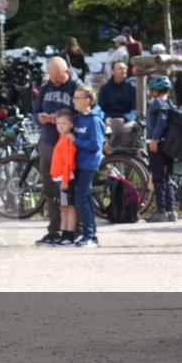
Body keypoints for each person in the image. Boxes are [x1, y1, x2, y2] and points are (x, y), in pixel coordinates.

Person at [33, 57, 77, 245]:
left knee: (69, 189)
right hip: (48, 142)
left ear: (66, 72)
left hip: (67, 145)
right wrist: (41, 118)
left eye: (57, 76)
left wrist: (61, 119)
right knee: (49, 188)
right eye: (51, 76)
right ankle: (53, 229)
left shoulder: (75, 87)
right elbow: (34, 112)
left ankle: (73, 230)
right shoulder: (46, 87)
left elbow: (83, 112)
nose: (54, 80)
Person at [71, 85, 104, 246]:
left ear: (88, 100)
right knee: (84, 198)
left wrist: (75, 140)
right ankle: (87, 233)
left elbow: (96, 145)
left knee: (82, 197)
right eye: (74, 98)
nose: (74, 101)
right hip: (78, 162)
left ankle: (90, 235)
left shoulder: (94, 120)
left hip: (89, 164)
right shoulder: (77, 118)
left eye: (78, 98)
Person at [145, 75, 177, 223]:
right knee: (167, 178)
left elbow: (161, 122)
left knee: (158, 179)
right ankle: (172, 211)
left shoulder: (157, 103)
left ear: (155, 91)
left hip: (158, 145)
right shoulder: (170, 103)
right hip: (169, 145)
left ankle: (161, 211)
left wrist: (154, 139)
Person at [48, 108, 79, 246]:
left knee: (69, 207)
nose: (60, 126)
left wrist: (65, 180)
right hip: (58, 178)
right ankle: (64, 232)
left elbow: (69, 162)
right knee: (63, 207)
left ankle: (69, 235)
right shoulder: (61, 138)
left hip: (64, 179)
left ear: (71, 125)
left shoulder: (68, 140)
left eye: (64, 123)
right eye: (58, 123)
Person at [98, 61, 137, 133]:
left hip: (127, 121)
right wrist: (106, 118)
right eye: (120, 69)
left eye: (125, 69)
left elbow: (135, 110)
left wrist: (125, 119)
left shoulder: (132, 88)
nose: (123, 71)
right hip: (109, 121)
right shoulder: (105, 89)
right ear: (113, 71)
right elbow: (101, 108)